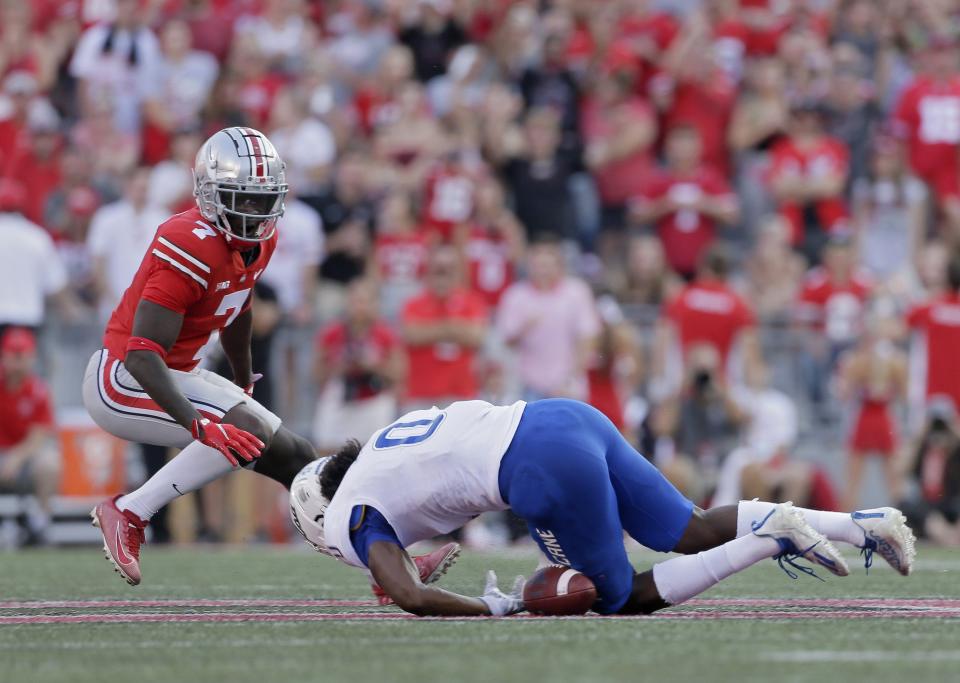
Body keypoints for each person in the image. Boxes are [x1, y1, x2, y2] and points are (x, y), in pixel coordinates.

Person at [80, 127, 446, 590]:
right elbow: (142, 353)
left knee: (298, 456)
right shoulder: (186, 241)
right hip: (121, 381)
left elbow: (239, 305)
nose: (254, 212)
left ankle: (388, 567)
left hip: (174, 369)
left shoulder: (260, 240)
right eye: (242, 198)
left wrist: (240, 374)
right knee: (245, 432)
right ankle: (130, 510)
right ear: (210, 194)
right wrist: (199, 425)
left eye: (262, 198)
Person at [290, 398, 915, 617]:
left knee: (611, 597)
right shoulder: (379, 449)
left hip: (539, 468)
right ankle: (864, 525)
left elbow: (407, 595)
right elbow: (403, 561)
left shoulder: (350, 512)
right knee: (691, 528)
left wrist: (495, 607)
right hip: (561, 417)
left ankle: (770, 537)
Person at [0, 328, 60, 545]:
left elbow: (39, 436)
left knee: (50, 463)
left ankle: (40, 523)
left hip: (23, 459)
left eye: (21, 356)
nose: (16, 362)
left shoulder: (38, 390)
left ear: (31, 357)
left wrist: (15, 457)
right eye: (12, 355)